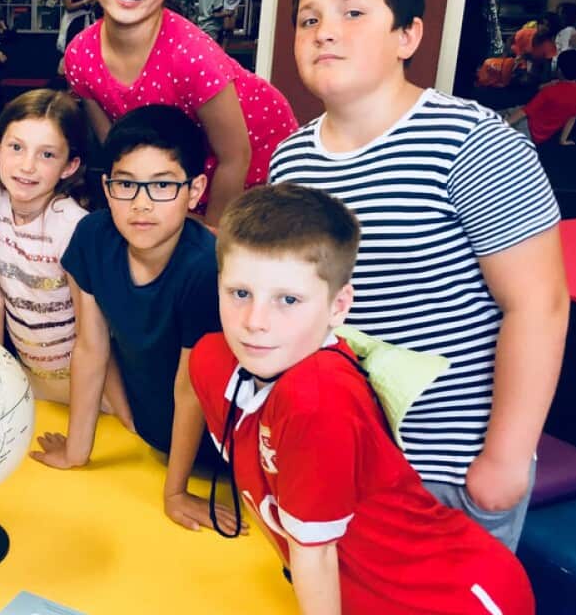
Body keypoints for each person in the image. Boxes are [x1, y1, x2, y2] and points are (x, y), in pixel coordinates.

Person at [272, 0, 568, 549]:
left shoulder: (474, 143)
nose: (325, 33)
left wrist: (505, 460)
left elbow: (538, 305)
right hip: (338, 454)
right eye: (309, 19)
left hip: (449, 468)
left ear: (407, 36)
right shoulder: (291, 160)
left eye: (353, 13)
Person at [191, 183, 535, 615]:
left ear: (338, 306)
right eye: (240, 293)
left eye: (288, 300)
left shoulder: (316, 393)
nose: (255, 321)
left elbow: (314, 553)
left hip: (449, 598)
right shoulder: (212, 361)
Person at [31, 104, 242, 535]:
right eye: (126, 184)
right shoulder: (93, 236)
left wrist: (175, 493)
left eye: (162, 185)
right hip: (152, 434)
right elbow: (90, 347)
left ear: (195, 190)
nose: (141, 204)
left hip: (219, 451)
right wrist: (76, 451)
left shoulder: (206, 268)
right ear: (107, 188)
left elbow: (190, 389)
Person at [63, 0, 298, 225]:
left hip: (251, 163)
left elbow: (235, 157)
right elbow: (116, 149)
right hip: (174, 173)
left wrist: (210, 239)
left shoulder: (191, 55)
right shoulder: (80, 56)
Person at [0, 89, 95, 404]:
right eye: (16, 147)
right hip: (26, 378)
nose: (27, 166)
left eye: (47, 155)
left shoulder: (73, 227)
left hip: (87, 384)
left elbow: (91, 338)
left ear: (70, 165)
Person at [506, 49, 576, 147]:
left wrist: (504, 124)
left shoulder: (550, 91)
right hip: (539, 136)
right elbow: (573, 116)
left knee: (494, 122)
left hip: (527, 128)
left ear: (559, 70)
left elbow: (525, 111)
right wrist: (563, 140)